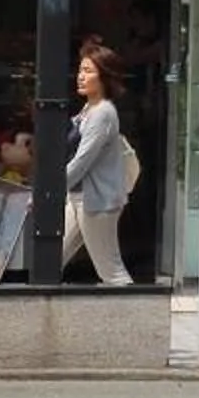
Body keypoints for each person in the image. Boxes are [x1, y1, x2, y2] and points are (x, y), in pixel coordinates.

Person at [65, 48, 134, 284]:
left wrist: (49, 191)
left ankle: (138, 316)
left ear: (103, 76)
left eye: (87, 71)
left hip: (96, 201)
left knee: (110, 270)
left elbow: (82, 161)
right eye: (80, 70)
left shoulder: (103, 113)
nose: (80, 76)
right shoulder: (87, 110)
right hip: (77, 198)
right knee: (50, 259)